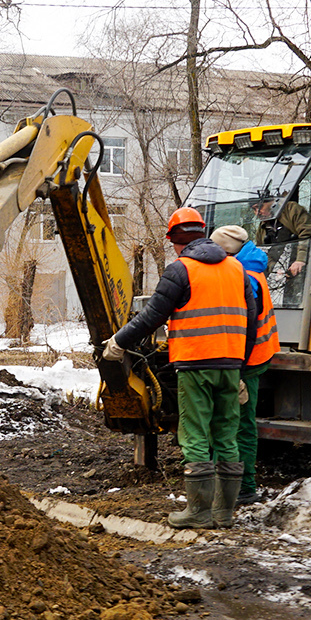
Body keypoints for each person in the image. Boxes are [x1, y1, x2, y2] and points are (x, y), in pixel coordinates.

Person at [103, 208, 260, 529]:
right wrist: (241, 369)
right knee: (227, 435)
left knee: (196, 435)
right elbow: (252, 322)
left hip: (195, 365)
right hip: (230, 366)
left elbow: (152, 317)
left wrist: (118, 341)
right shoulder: (237, 270)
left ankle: (199, 512)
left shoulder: (180, 270)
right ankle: (224, 513)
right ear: (203, 232)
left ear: (175, 241)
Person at [213, 225, 279, 508]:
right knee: (239, 422)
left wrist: (237, 370)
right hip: (253, 356)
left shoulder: (245, 278)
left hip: (246, 360)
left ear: (228, 252)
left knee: (239, 424)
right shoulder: (248, 267)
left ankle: (243, 487)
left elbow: (245, 327)